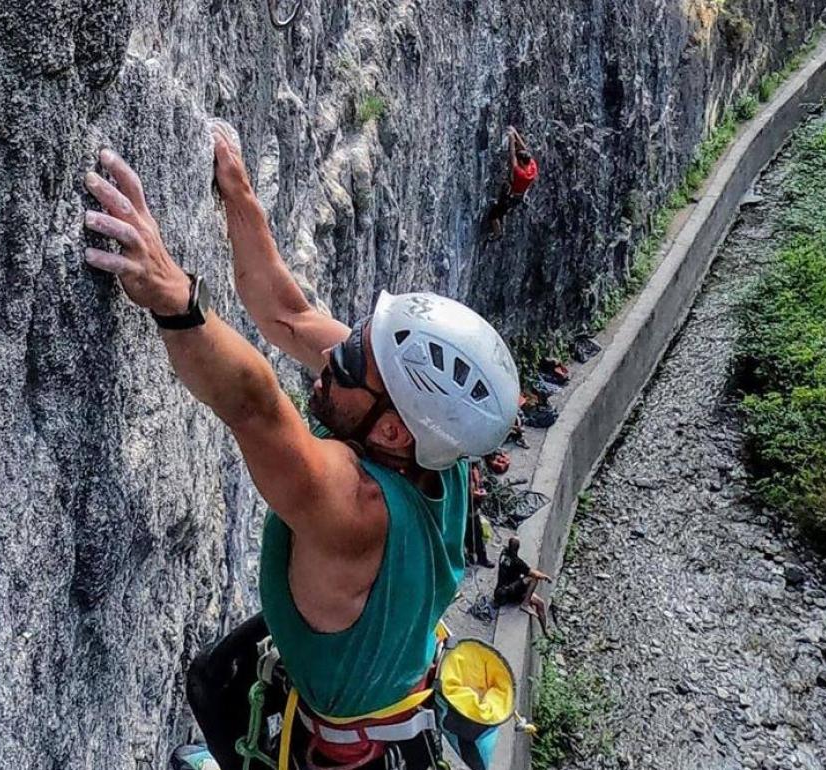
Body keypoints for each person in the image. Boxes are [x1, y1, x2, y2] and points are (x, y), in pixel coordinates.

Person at [81, 121, 520, 770]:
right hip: (391, 679)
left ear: (393, 430)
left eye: (349, 362)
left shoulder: (356, 507)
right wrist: (237, 190)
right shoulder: (425, 440)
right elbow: (285, 312)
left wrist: (174, 298)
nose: (332, 356)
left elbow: (257, 406)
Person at [486, 126, 538, 241]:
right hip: (519, 194)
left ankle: (497, 233)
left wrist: (511, 139)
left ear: (521, 163)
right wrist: (515, 133)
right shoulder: (532, 167)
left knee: (494, 215)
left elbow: (513, 156)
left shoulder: (520, 174)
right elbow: (524, 150)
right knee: (503, 210)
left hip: (511, 196)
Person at [493, 536, 552, 637]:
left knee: (540, 603)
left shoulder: (504, 554)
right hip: (510, 592)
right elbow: (534, 574)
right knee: (533, 579)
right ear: (518, 548)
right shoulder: (517, 562)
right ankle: (525, 603)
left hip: (500, 590)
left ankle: (546, 632)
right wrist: (545, 576)